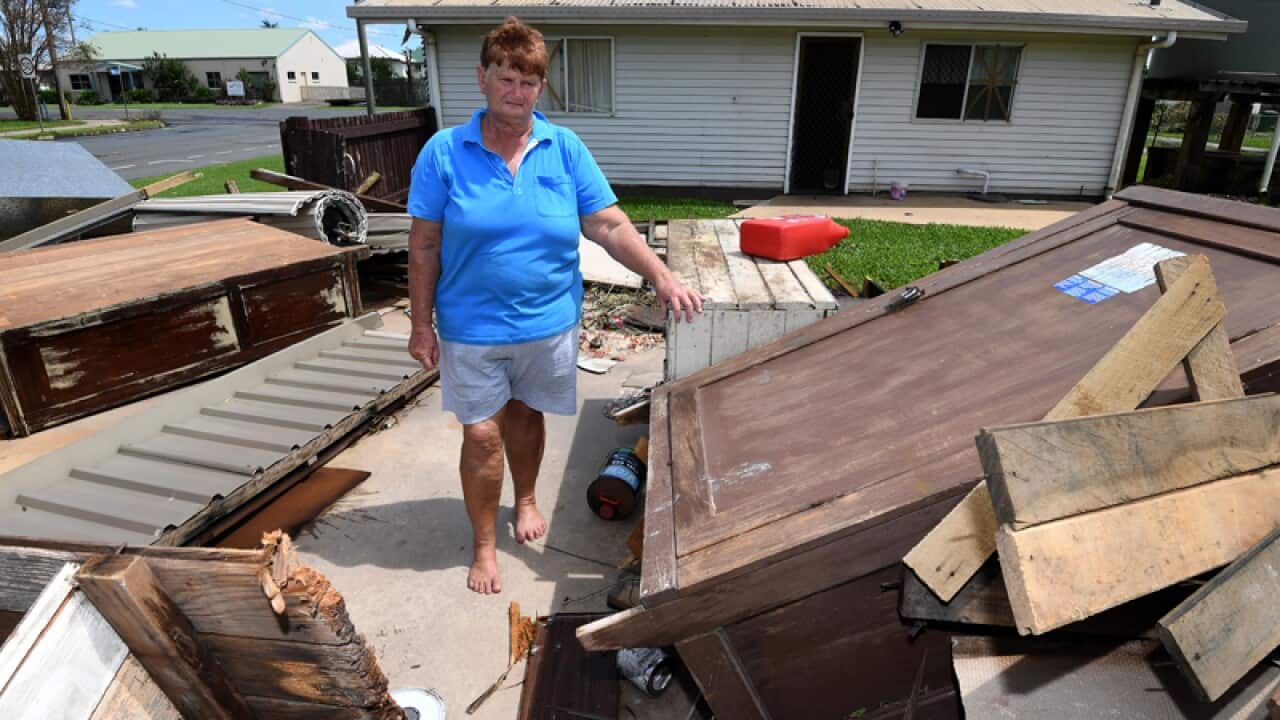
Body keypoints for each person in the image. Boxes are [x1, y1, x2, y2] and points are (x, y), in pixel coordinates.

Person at [406, 17, 703, 595]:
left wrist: (661, 276)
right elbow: (424, 243)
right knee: (481, 435)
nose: (516, 92)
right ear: (483, 79)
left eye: (529, 82)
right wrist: (421, 325)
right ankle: (485, 545)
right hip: (471, 327)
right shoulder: (445, 152)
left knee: (526, 417)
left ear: (541, 88)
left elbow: (608, 225)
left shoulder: (564, 148)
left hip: (547, 323)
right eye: (506, 78)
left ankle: (525, 498)